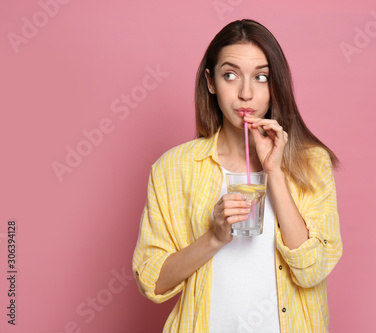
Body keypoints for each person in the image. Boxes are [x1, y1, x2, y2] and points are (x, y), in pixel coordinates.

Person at [132, 19, 343, 333]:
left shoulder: (311, 162)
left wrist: (274, 171)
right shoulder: (173, 168)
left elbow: (311, 271)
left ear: (275, 85)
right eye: (230, 75)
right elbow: (153, 280)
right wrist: (214, 238)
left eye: (261, 77)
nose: (246, 93)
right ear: (211, 81)